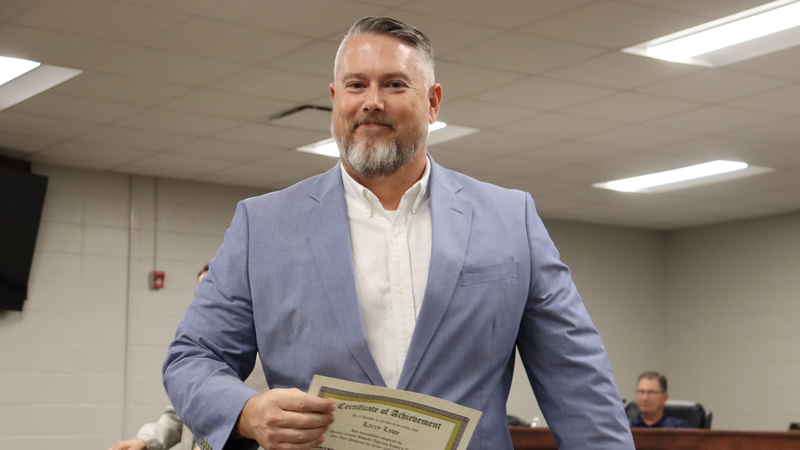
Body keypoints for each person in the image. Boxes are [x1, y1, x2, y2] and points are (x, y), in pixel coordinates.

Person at [163, 16, 635, 450]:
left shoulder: (512, 219)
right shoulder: (261, 225)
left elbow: (579, 383)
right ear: (335, 99)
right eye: (356, 84)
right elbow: (191, 357)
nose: (372, 100)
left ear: (432, 104)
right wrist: (246, 410)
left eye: (394, 84)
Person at [110, 265, 268, 450]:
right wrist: (145, 441)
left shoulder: (264, 362)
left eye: (212, 292)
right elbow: (178, 416)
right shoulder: (197, 355)